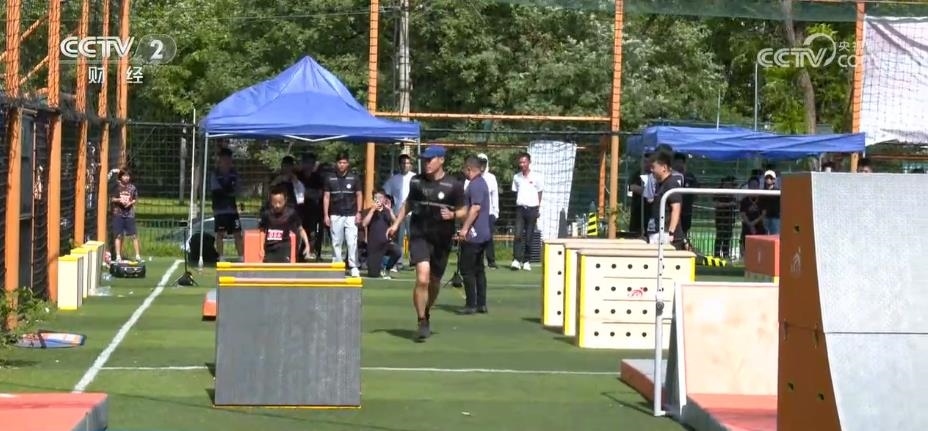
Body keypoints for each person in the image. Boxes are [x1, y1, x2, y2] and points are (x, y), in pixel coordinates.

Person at [386, 145, 467, 342]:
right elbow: (408, 204)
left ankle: (426, 311)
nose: (426, 163)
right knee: (422, 278)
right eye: (424, 160)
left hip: (442, 239)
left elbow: (464, 210)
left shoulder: (454, 185)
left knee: (434, 281)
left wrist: (453, 215)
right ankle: (421, 319)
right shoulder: (416, 181)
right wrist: (396, 224)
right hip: (419, 235)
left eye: (430, 160)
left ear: (441, 160)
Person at [458, 155, 492, 314]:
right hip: (483, 233)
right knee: (479, 269)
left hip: (474, 234)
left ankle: (471, 304)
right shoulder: (481, 183)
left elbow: (475, 208)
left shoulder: (476, 185)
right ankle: (481, 304)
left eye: (464, 169)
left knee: (467, 269)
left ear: (469, 169)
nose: (464, 172)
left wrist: (465, 228)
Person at [323, 152, 363, 277]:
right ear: (336, 163)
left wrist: (359, 212)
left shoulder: (354, 178)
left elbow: (359, 195)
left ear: (348, 164)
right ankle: (337, 265)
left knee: (352, 241)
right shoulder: (330, 178)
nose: (342, 165)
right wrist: (326, 215)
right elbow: (326, 197)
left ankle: (353, 266)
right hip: (335, 214)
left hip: (351, 214)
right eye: (340, 162)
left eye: (344, 162)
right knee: (336, 241)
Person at [259, 185, 311, 263]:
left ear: (285, 200)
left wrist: (307, 245)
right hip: (269, 248)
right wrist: (261, 248)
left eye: (280, 202)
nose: (277, 205)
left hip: (284, 248)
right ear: (270, 201)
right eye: (274, 203)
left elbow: (301, 229)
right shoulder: (266, 214)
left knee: (283, 269)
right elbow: (262, 231)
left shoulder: (291, 213)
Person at [646, 151, 686, 250]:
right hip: (657, 232)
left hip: (667, 235)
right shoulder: (659, 184)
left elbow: (676, 209)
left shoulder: (671, 184)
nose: (651, 170)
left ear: (664, 167)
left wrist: (671, 233)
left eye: (653, 167)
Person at [510, 152, 543, 271]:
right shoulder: (516, 177)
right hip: (520, 209)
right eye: (520, 162)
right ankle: (516, 260)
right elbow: (515, 192)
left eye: (524, 162)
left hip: (532, 209)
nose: (522, 164)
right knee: (518, 234)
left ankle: (526, 261)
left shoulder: (536, 177)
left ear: (529, 162)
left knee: (529, 236)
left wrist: (538, 207)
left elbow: (540, 192)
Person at [382, 154, 416, 270]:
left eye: (407, 163)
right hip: (398, 214)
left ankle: (414, 262)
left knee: (413, 238)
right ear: (399, 165)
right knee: (398, 239)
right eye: (403, 163)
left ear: (410, 165)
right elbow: (385, 192)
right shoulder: (393, 179)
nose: (405, 165)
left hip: (413, 213)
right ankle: (398, 262)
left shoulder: (415, 178)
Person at [210, 148, 244, 260]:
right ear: (220, 160)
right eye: (224, 159)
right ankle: (221, 257)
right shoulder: (215, 174)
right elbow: (218, 191)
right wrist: (229, 191)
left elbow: (238, 189)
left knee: (237, 233)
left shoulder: (234, 174)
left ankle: (241, 257)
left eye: (229, 159)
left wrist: (231, 192)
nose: (227, 162)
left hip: (232, 210)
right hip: (220, 210)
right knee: (220, 233)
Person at [362, 190, 401, 278]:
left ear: (384, 199)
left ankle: (387, 268)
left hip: (385, 243)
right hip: (374, 246)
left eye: (380, 197)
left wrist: (390, 210)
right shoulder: (369, 211)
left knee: (397, 251)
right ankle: (375, 266)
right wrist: (372, 210)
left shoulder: (387, 211)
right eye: (375, 198)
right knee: (373, 274)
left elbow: (396, 223)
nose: (378, 199)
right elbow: (364, 224)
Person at [111, 169, 142, 262]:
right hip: (118, 213)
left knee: (134, 235)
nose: (126, 178)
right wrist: (119, 200)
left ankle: (137, 255)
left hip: (129, 214)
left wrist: (130, 203)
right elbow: (112, 199)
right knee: (118, 235)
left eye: (128, 176)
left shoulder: (132, 188)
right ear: (121, 177)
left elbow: (135, 198)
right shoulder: (117, 187)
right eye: (124, 176)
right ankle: (118, 256)